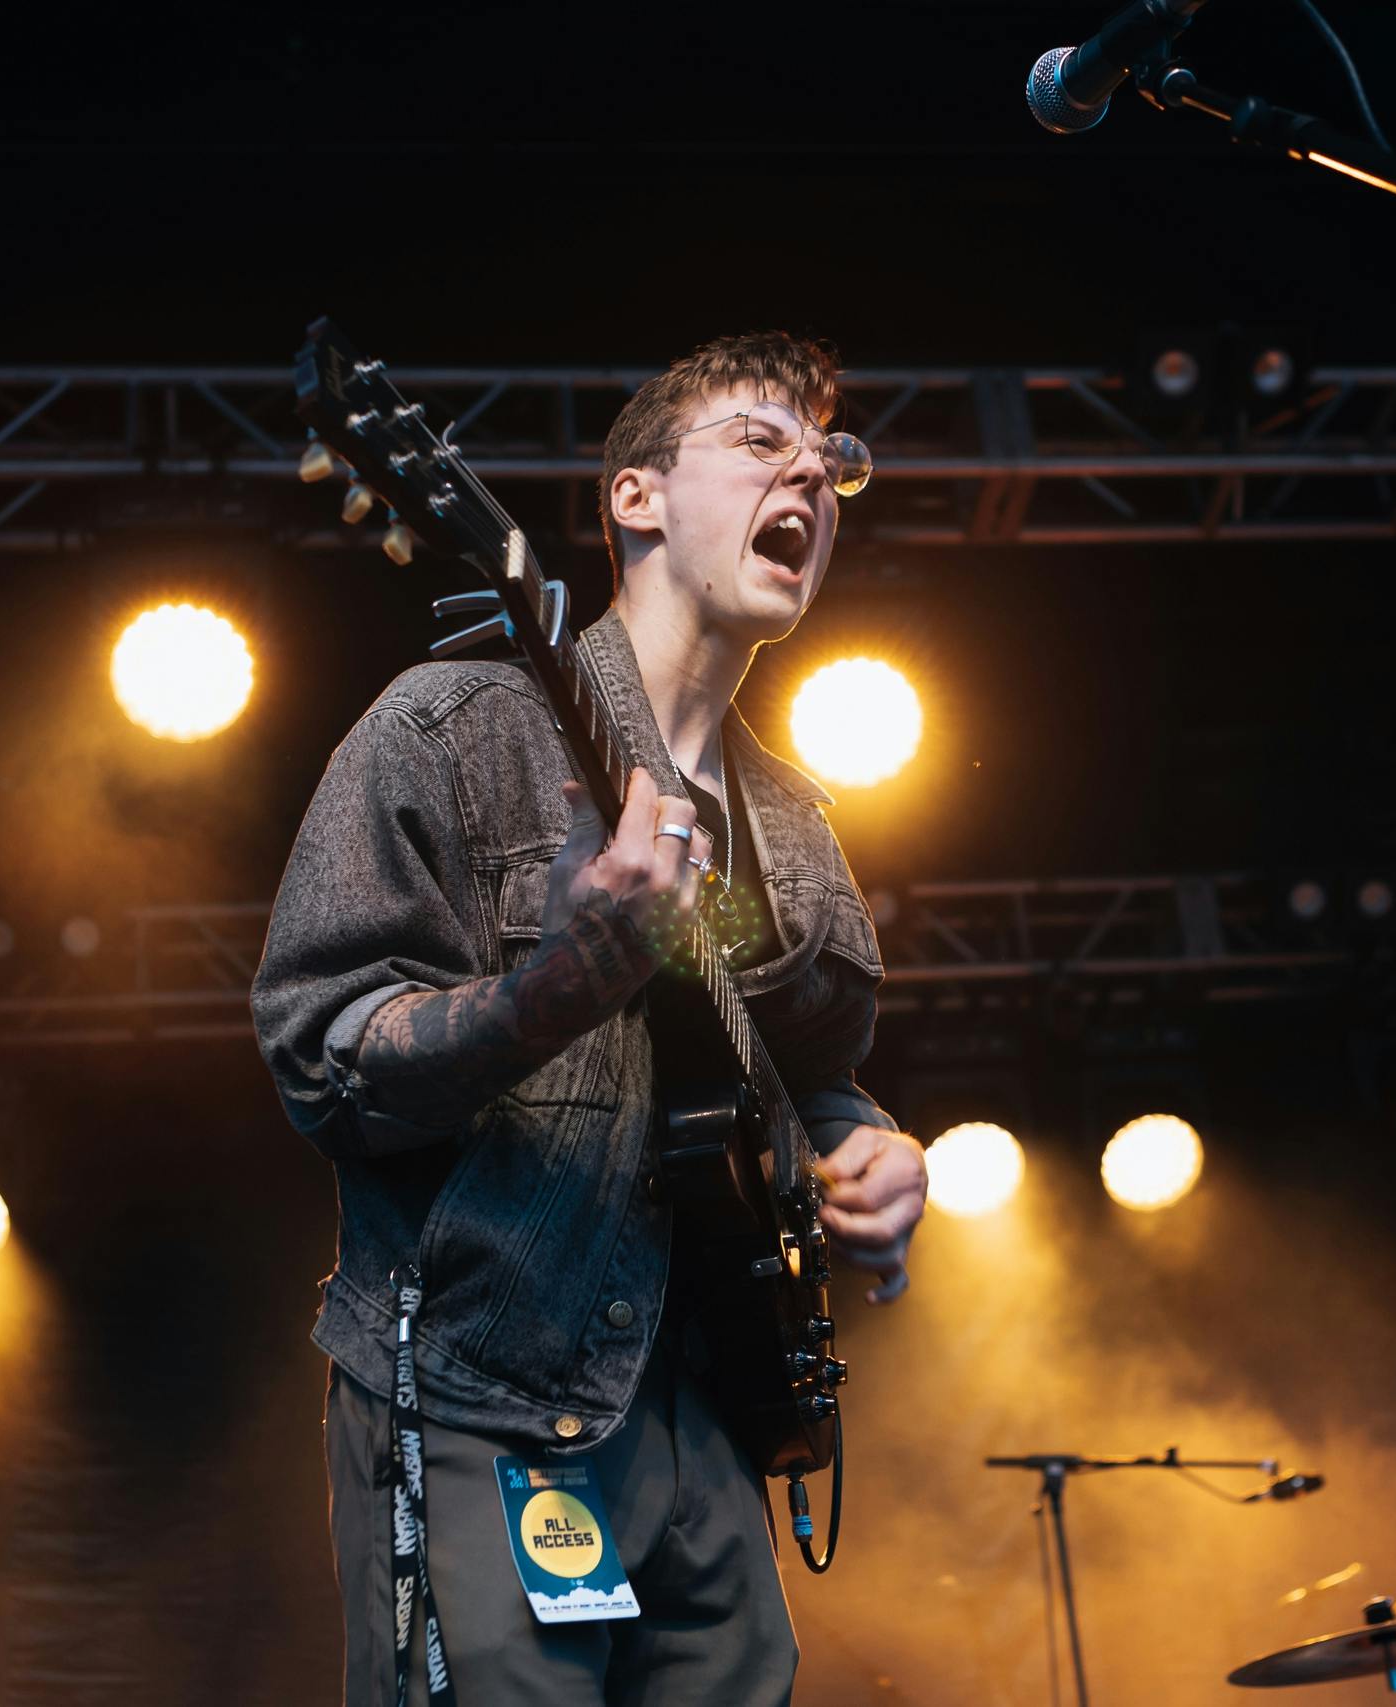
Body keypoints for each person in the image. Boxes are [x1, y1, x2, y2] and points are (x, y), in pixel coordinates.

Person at [252, 330, 930, 1705]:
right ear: (635, 496)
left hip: (713, 1418)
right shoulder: (450, 730)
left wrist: (871, 1151)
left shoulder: (799, 830)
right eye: (761, 443)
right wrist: (558, 986)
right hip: (485, 1394)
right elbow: (325, 1061)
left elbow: (811, 1083)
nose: (811, 476)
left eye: (831, 462)